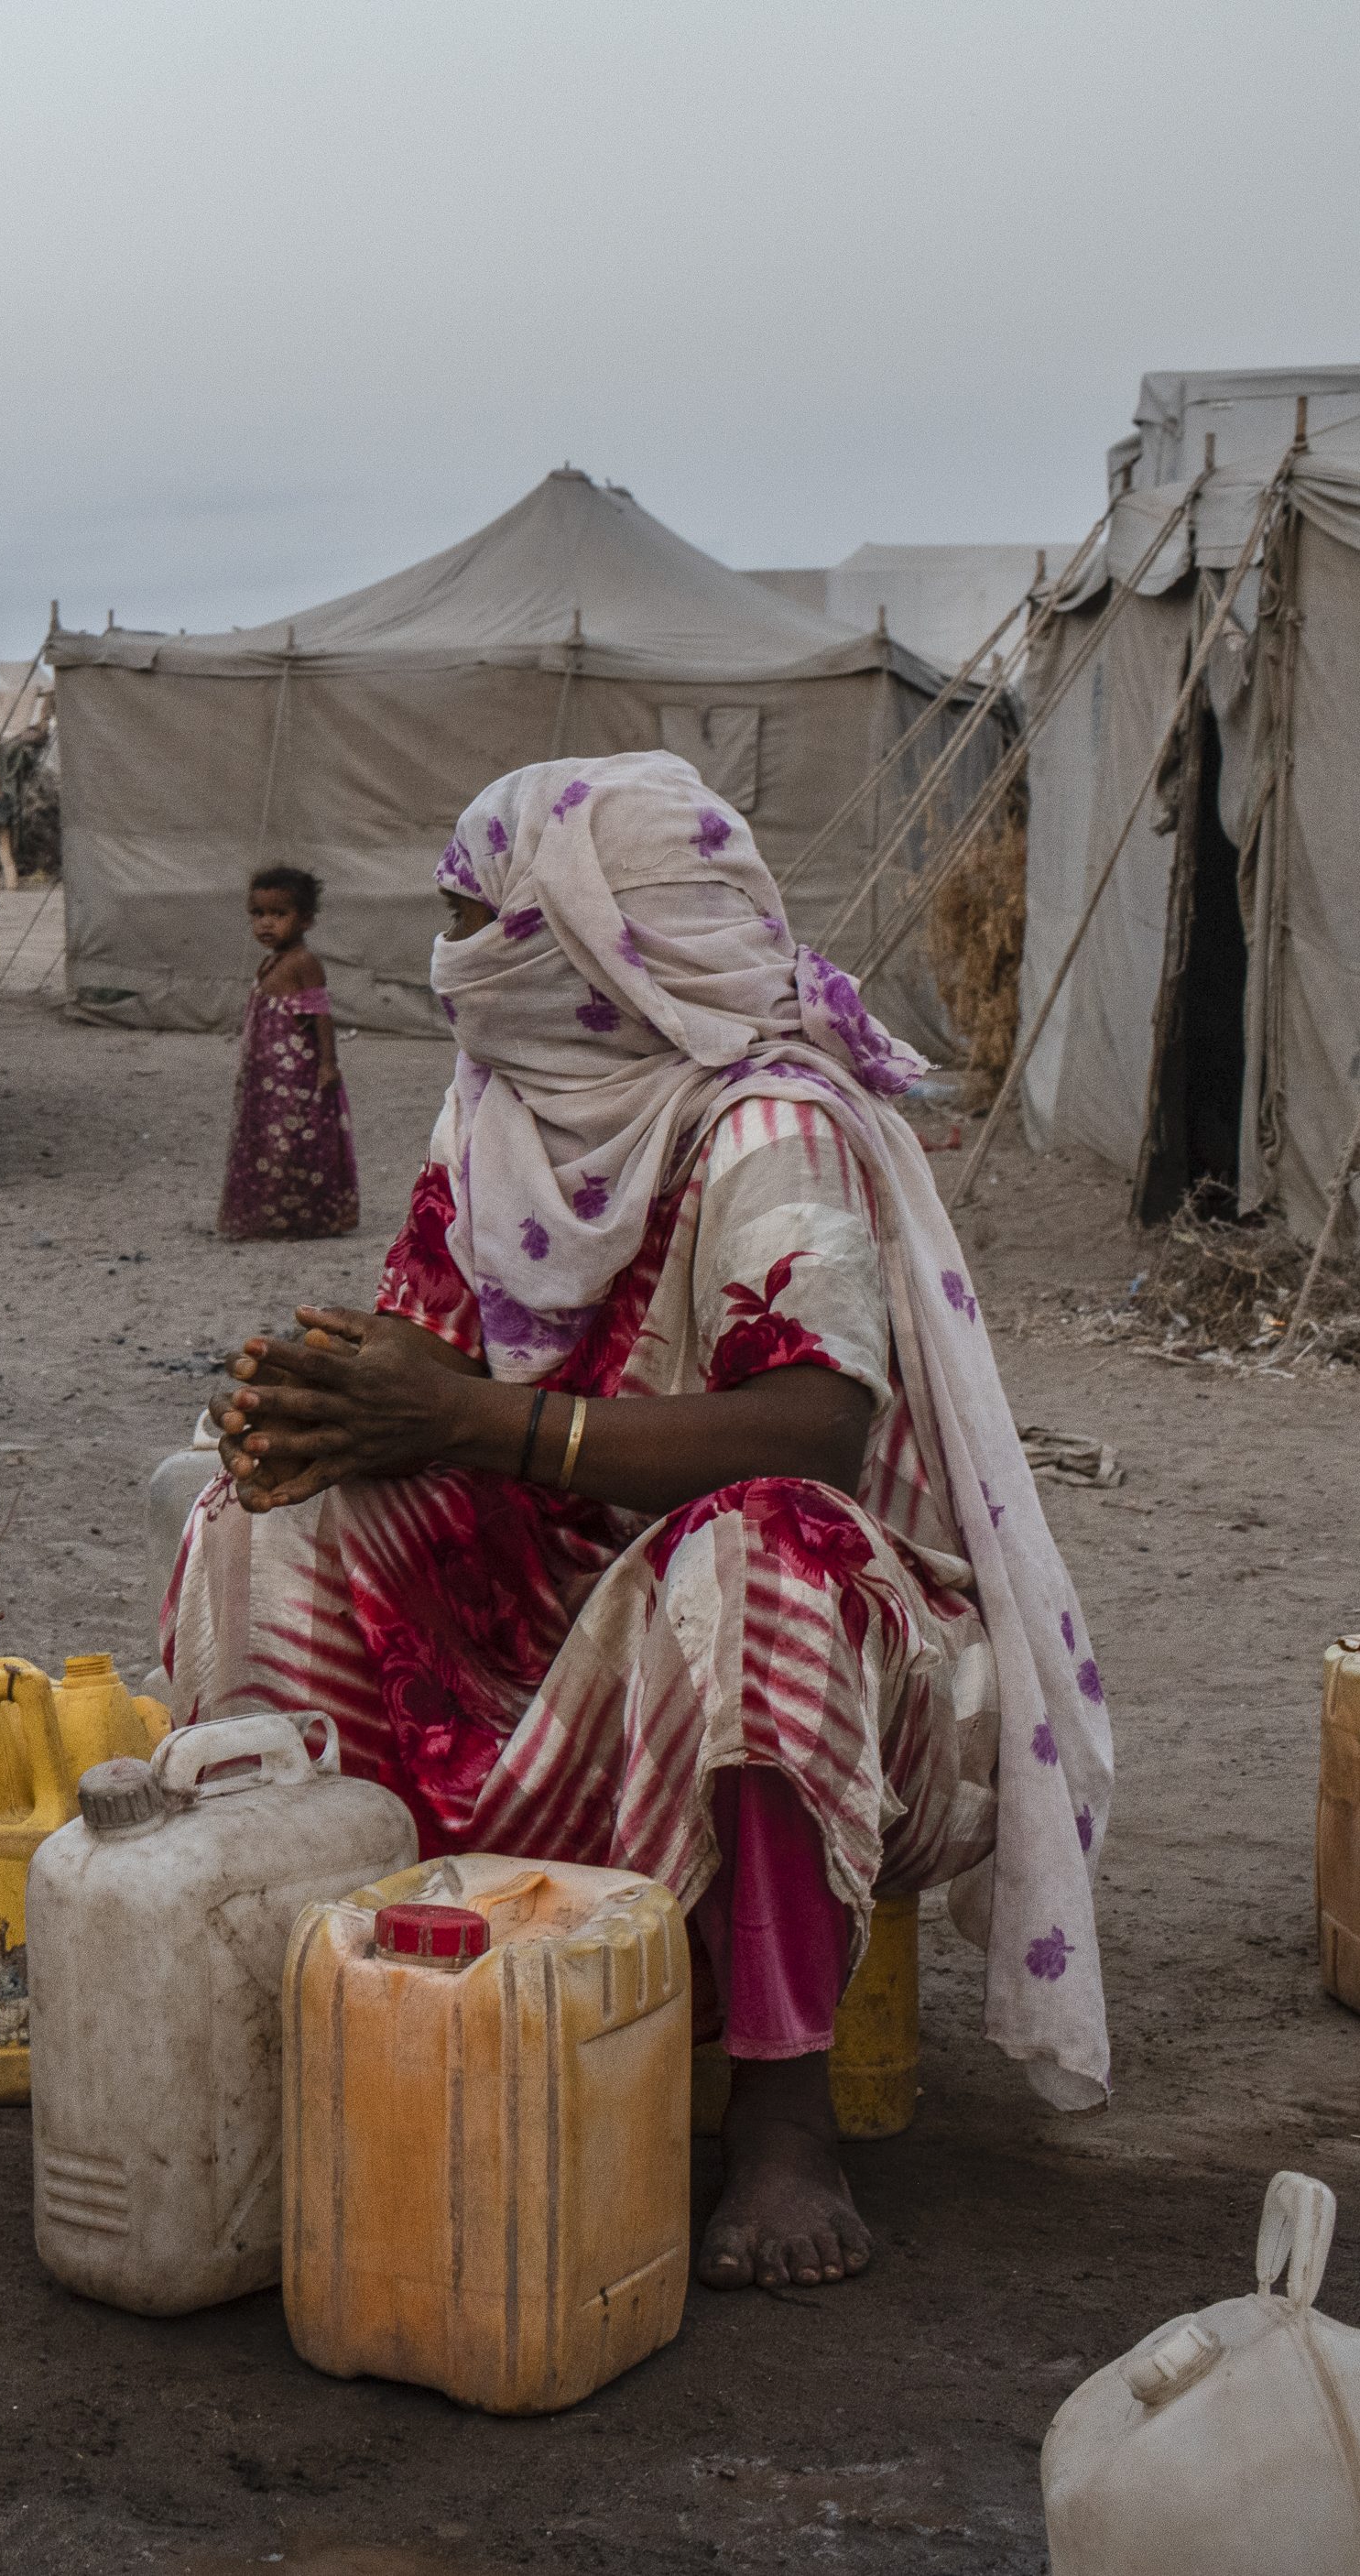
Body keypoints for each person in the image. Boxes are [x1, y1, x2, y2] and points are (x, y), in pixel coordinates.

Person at [164, 749, 1112, 2296]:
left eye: (489, 922)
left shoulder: (764, 1116)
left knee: (757, 1557)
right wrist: (337, 1409)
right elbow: (450, 1370)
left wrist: (474, 1419)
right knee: (260, 1522)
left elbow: (817, 1428)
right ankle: (342, 2001)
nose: (458, 957)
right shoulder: (503, 1106)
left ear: (594, 943)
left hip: (843, 1678)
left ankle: (782, 2112)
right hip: (566, 1598)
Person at [222, 863, 361, 1239]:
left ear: (306, 920)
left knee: (294, 1140)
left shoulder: (303, 962)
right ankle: (271, 1210)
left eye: (279, 914)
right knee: (268, 1139)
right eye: (259, 914)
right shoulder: (271, 961)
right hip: (267, 1076)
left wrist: (329, 1064)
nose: (266, 924)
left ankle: (305, 1213)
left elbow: (321, 1016)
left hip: (295, 1074)